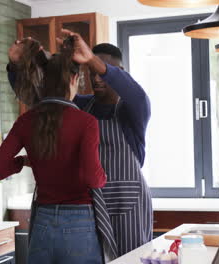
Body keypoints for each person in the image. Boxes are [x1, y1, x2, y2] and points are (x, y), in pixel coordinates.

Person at [0, 37, 106, 264]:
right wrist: (103, 174)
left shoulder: (26, 121)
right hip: (79, 224)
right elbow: (94, 179)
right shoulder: (86, 122)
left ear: (42, 82)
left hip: (42, 223)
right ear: (73, 79)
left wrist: (21, 162)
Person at [64, 29, 153, 260]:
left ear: (117, 72)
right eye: (91, 72)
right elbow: (43, 97)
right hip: (91, 203)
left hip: (129, 204)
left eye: (101, 72)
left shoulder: (133, 107)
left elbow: (134, 92)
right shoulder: (81, 106)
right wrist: (17, 67)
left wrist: (92, 59)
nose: (95, 79)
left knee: (131, 261)